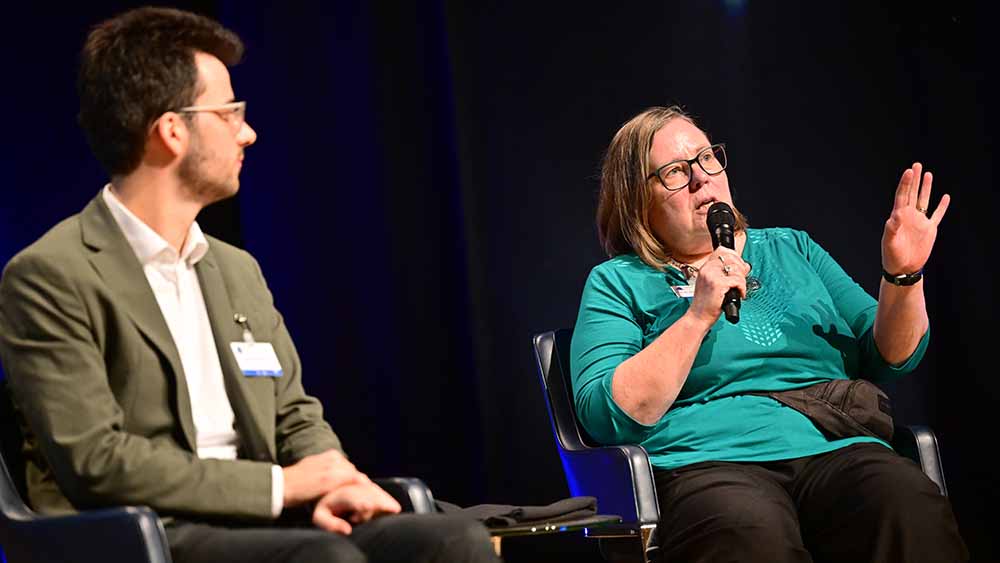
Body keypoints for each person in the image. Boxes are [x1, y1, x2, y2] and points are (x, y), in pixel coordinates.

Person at [0, 7, 498, 563]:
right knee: (324, 560)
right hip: (140, 534)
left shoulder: (236, 270)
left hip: (260, 522)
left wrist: (334, 480)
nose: (248, 132)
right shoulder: (51, 275)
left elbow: (293, 414)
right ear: (171, 131)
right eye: (229, 113)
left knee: (453, 540)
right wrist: (281, 488)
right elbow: (96, 459)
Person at [570, 105, 967, 562]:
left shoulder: (792, 247)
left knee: (907, 503)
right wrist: (697, 316)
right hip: (707, 463)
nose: (702, 179)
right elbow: (604, 415)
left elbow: (890, 356)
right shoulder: (618, 281)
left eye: (706, 158)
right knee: (746, 531)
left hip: (833, 446)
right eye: (676, 172)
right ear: (636, 201)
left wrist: (903, 275)